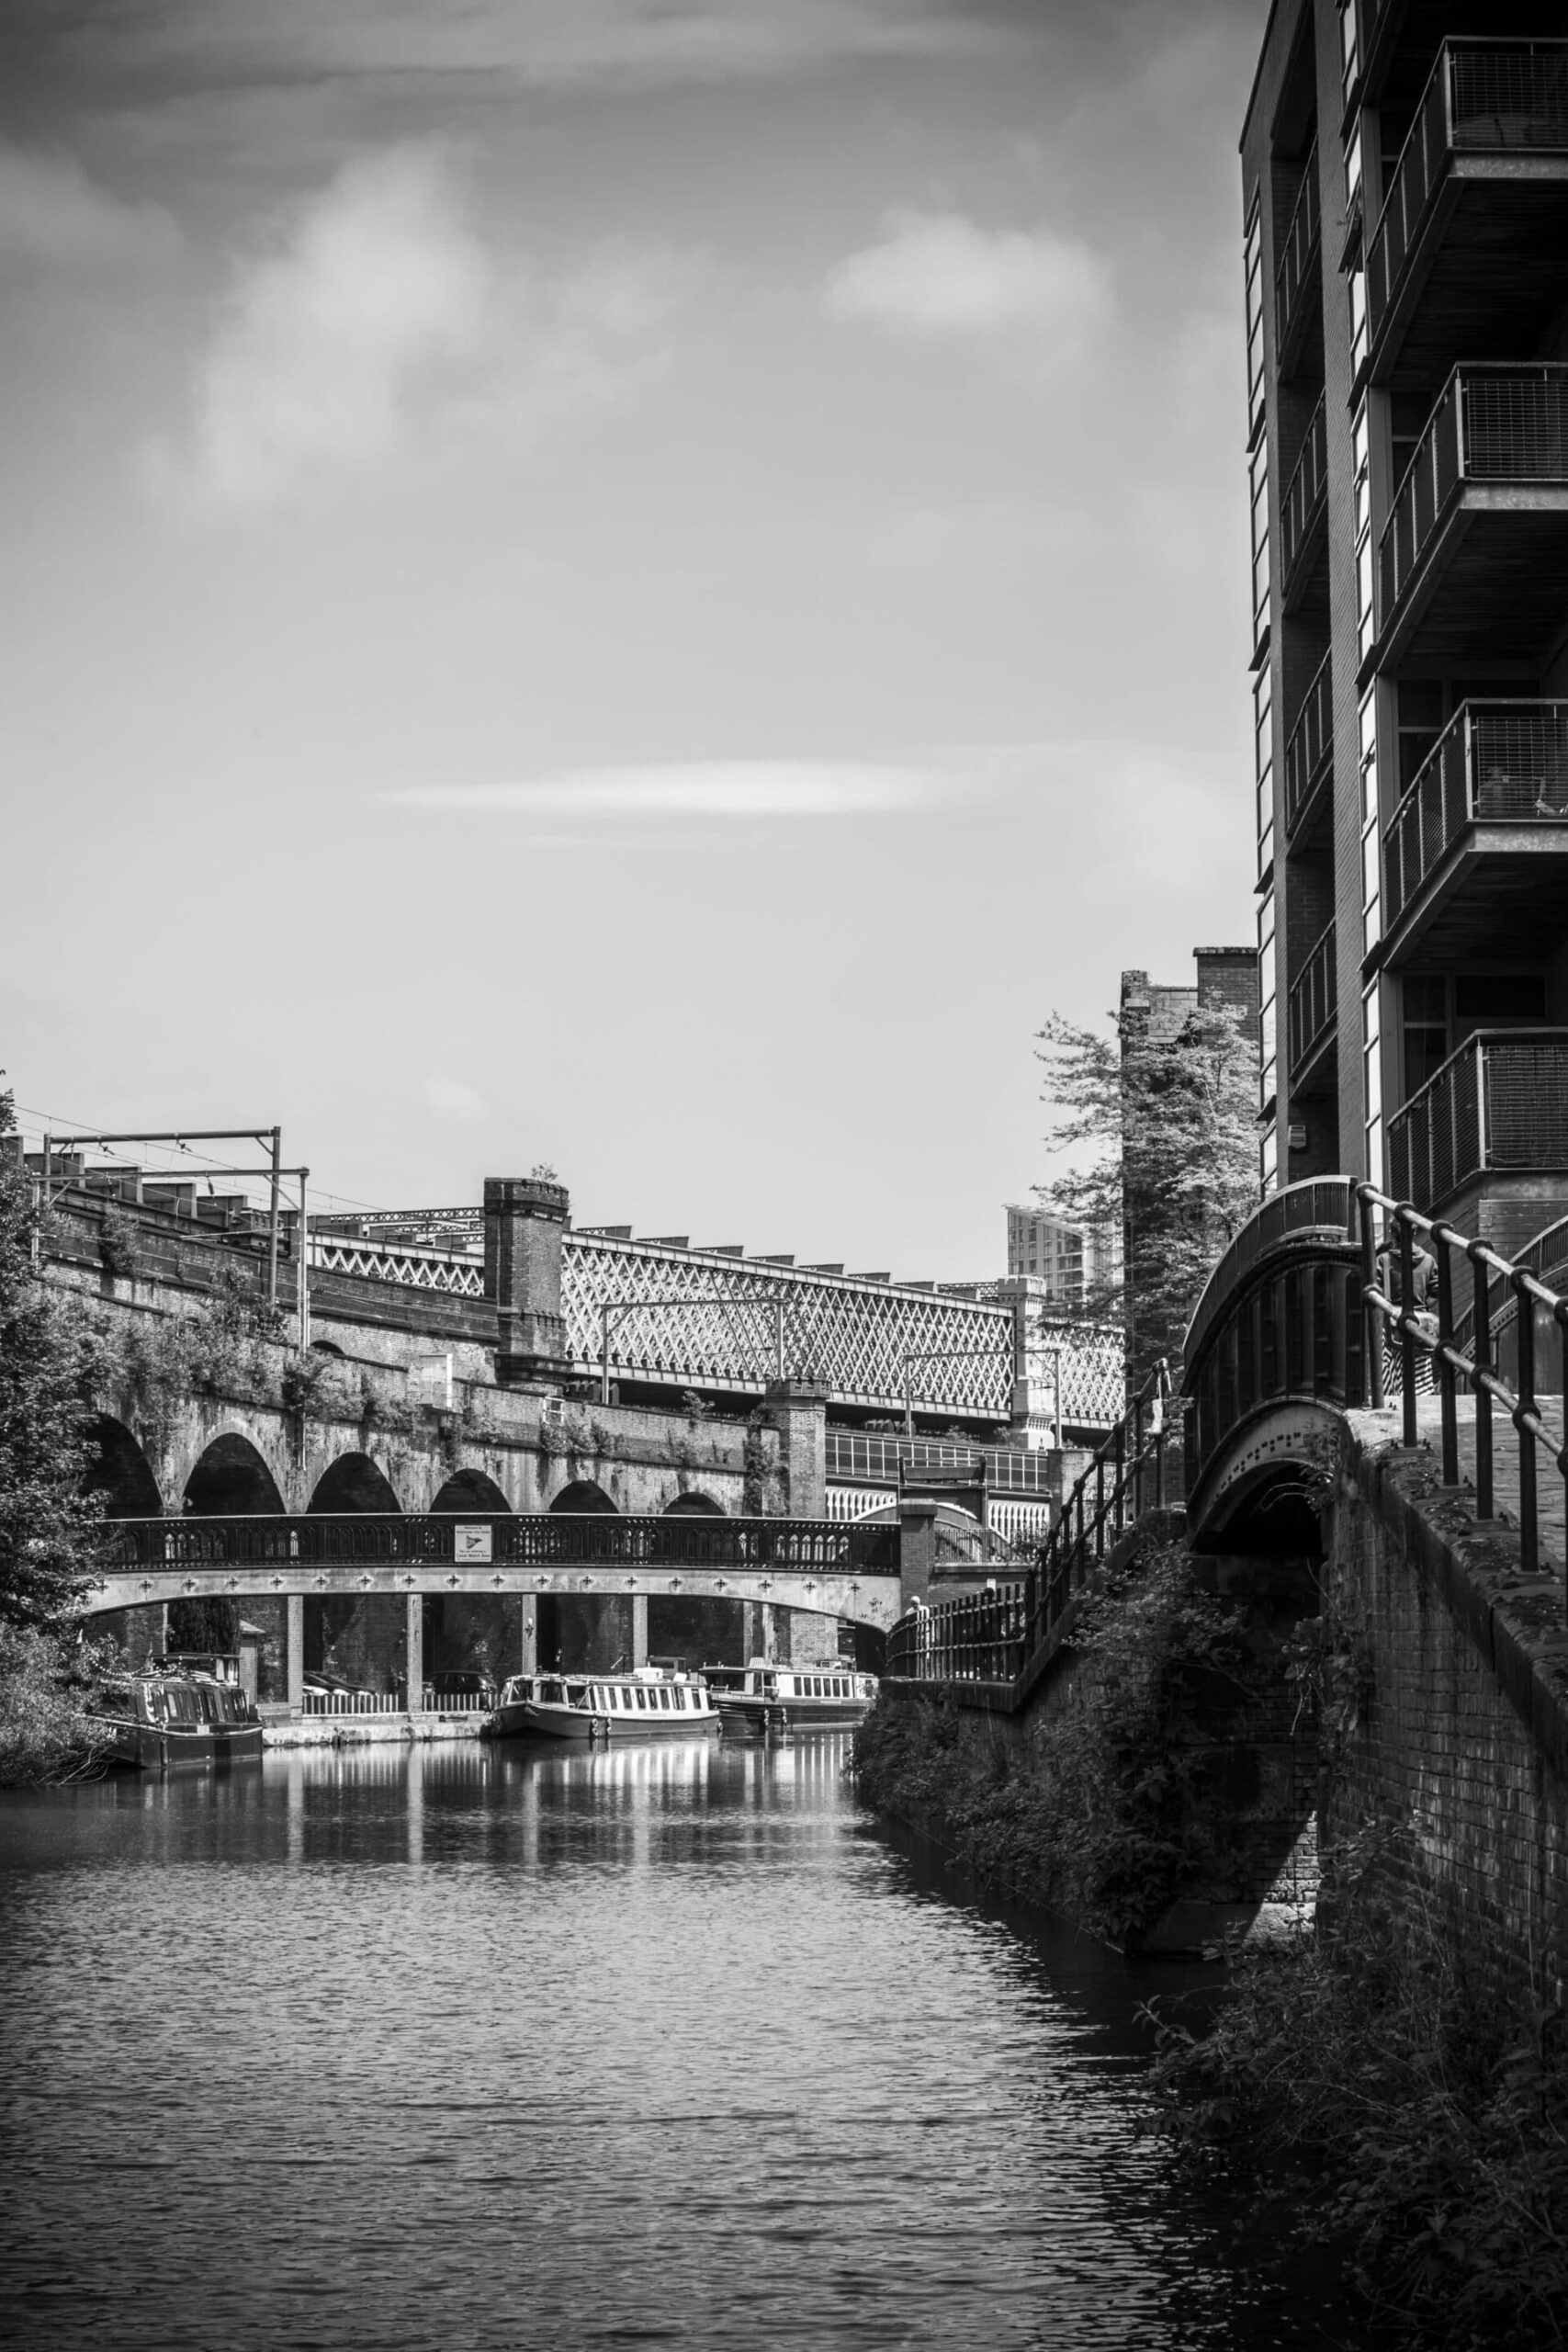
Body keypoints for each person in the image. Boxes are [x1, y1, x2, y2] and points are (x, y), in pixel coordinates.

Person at [1376, 1233, 1438, 1395]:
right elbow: (1436, 1294)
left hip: (1394, 1323)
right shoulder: (1429, 1260)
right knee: (1421, 1372)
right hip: (1421, 1326)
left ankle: (1398, 1407)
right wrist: (1421, 1309)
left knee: (1392, 1371)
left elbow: (1375, 1293)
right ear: (1415, 1232)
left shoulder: (1384, 1260)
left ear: (1392, 1233)